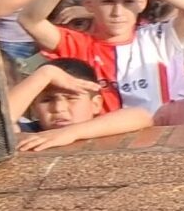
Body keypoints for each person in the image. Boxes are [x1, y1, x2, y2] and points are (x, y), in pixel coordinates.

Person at [18, 0, 184, 113]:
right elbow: (29, 20)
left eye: (128, 1)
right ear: (88, 4)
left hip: (154, 136)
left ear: (142, 3)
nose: (117, 12)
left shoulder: (158, 37)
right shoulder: (77, 43)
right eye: (108, 1)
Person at [9, 58, 153, 150]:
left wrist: (71, 133)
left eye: (71, 98)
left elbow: (142, 116)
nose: (59, 109)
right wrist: (45, 74)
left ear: (95, 104)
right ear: (33, 107)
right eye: (47, 100)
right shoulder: (28, 133)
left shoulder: (102, 126)